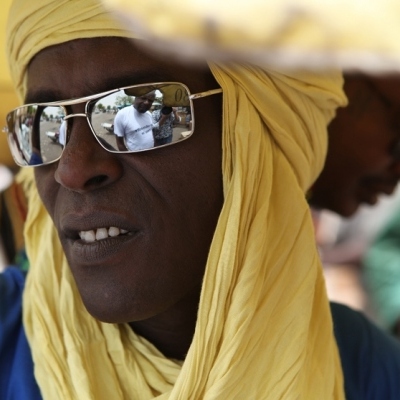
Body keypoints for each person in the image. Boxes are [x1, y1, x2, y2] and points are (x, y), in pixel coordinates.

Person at [2, 0, 400, 399]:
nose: (71, 169)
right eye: (42, 124)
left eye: (143, 112)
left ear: (252, 141)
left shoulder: (369, 374)